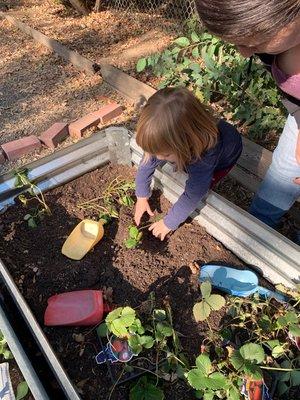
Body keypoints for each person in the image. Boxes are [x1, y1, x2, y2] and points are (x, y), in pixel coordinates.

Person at [195, 0, 300, 240]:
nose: (244, 52)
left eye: (253, 41)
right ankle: (255, 232)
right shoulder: (273, 42)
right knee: (283, 174)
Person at [134, 87, 242, 240]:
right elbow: (148, 162)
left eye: (164, 154)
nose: (157, 157)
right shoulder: (168, 139)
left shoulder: (205, 156)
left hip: (226, 157)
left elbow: (193, 194)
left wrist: (168, 223)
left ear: (185, 144)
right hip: (190, 150)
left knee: (203, 183)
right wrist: (141, 195)